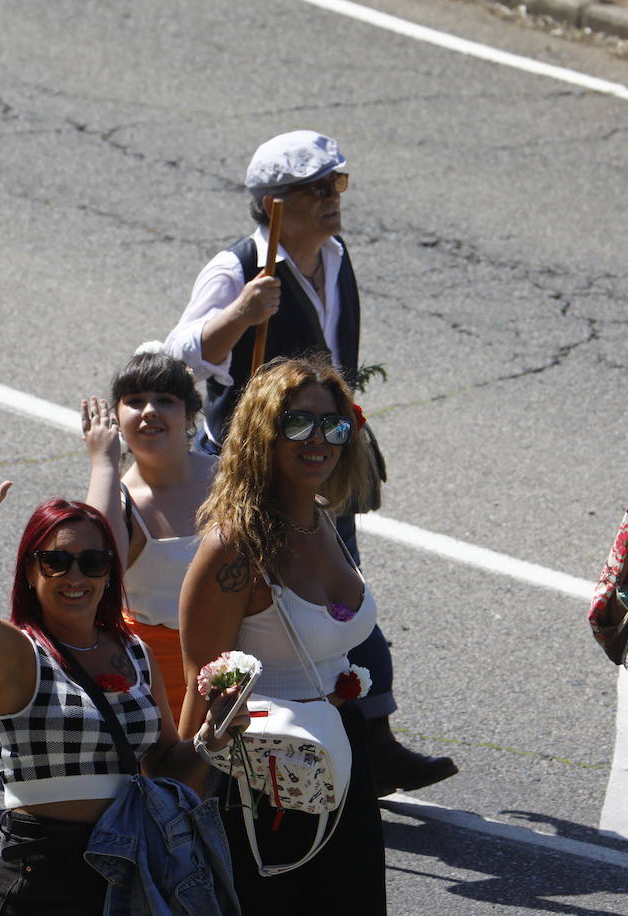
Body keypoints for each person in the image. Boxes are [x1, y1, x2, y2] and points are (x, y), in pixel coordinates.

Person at [164, 129, 454, 796]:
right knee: (261, 609)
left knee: (343, 594)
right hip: (259, 468)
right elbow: (182, 353)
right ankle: (230, 755)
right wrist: (239, 315)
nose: (332, 199)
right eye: (316, 189)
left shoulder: (335, 255)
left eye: (337, 185)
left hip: (324, 461)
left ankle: (371, 739)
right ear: (273, 206)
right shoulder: (238, 267)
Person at [0, 438, 242, 915]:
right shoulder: (19, 654)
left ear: (108, 573)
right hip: (43, 874)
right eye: (55, 561)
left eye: (92, 561)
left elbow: (164, 766)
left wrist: (213, 735)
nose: (74, 576)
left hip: (128, 867)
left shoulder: (133, 651)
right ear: (31, 573)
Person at [178, 355, 387, 912]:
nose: (317, 438)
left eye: (332, 424)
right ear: (262, 433)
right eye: (297, 422)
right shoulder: (235, 548)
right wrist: (178, 813)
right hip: (269, 775)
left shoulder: (322, 516)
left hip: (342, 753)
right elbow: (199, 693)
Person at [82, 347, 216, 716]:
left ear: (189, 414)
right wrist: (103, 463)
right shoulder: (119, 501)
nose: (150, 410)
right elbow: (97, 569)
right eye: (135, 401)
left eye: (165, 399)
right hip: (155, 678)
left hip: (238, 659)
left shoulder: (227, 476)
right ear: (117, 417)